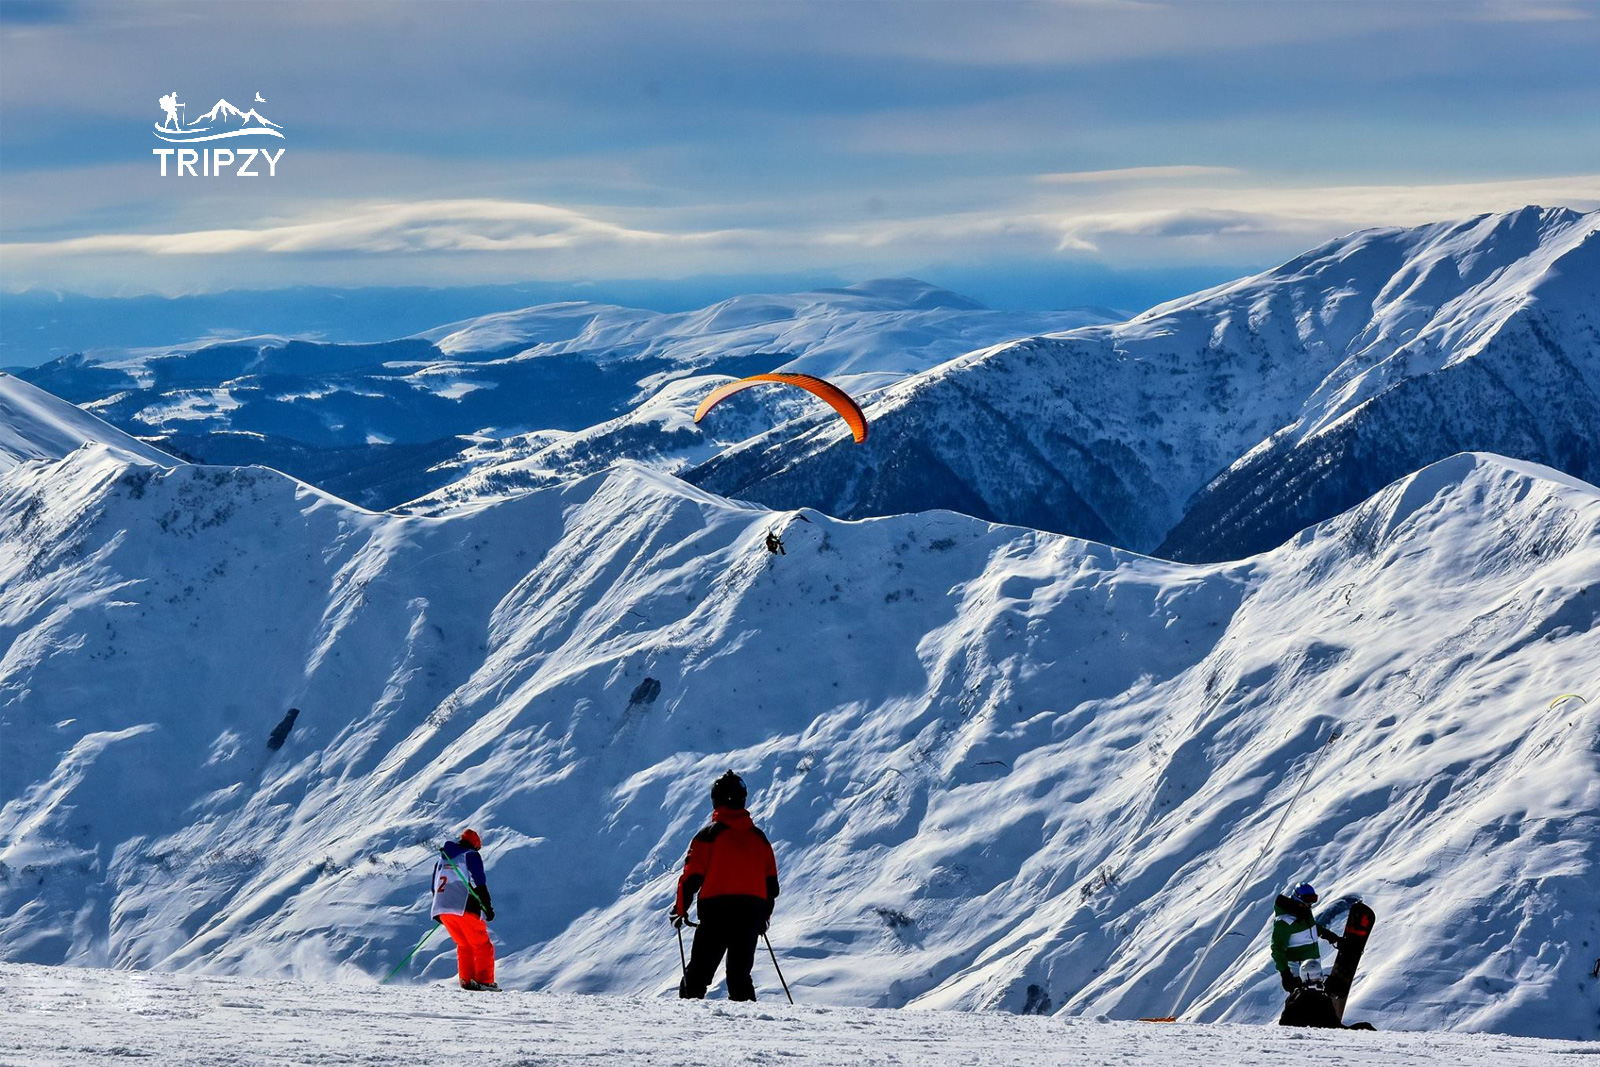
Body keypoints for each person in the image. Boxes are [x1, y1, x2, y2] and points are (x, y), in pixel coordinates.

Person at [671, 771, 780, 1001]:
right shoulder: (760, 839)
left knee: (697, 975)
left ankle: (683, 1029)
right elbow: (772, 886)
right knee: (740, 977)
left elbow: (691, 878)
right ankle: (750, 1031)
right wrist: (763, 918)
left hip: (716, 913)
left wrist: (680, 910)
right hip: (751, 914)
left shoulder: (709, 836)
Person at [432, 829, 498, 991]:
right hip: (463, 906)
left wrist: (442, 909)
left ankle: (467, 980)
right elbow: (480, 883)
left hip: (441, 907)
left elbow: (433, 887)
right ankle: (485, 981)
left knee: (464, 944)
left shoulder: (441, 859)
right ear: (475, 845)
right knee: (483, 945)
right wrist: (487, 907)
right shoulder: (470, 855)